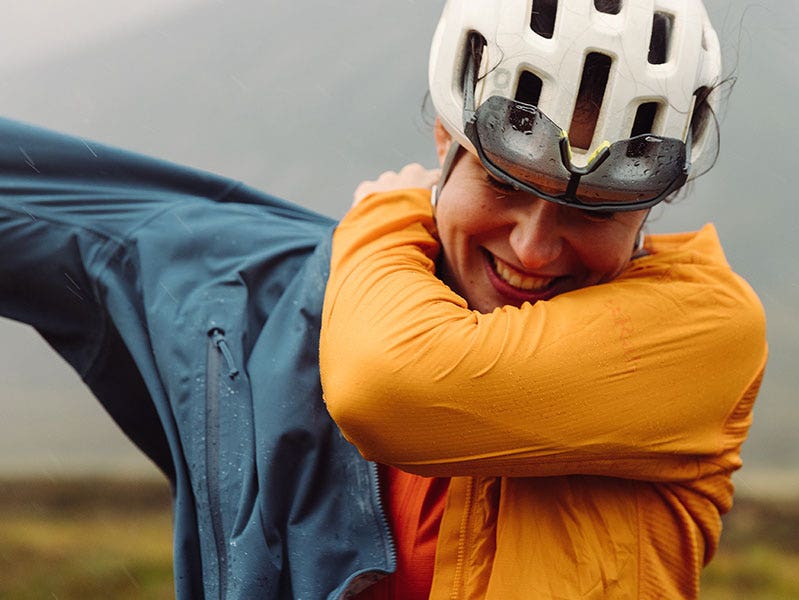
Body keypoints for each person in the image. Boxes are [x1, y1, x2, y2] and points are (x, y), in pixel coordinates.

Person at [0, 1, 765, 599]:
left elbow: (384, 388)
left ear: (650, 207)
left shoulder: (705, 331)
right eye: (502, 182)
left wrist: (385, 213)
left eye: (593, 211)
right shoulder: (279, 306)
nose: (534, 249)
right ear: (444, 139)